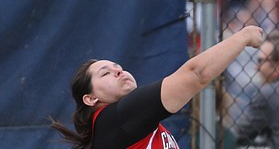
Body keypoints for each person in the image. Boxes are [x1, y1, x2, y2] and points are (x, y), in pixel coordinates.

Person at [50, 25, 263, 149]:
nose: (119, 71)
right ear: (90, 98)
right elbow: (195, 74)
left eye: (119, 68)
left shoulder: (129, 122)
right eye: (105, 73)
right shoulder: (119, 117)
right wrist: (243, 37)